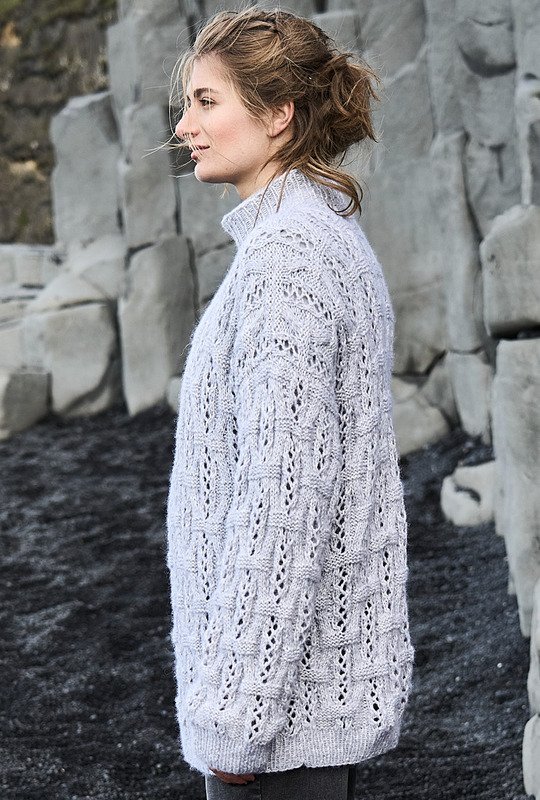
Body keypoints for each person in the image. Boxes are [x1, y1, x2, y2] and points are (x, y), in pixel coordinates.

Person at [165, 7, 415, 799]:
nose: (185, 126)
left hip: (276, 735)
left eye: (206, 101)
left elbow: (283, 500)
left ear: (278, 114)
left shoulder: (288, 260)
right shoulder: (315, 234)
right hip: (298, 717)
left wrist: (236, 719)